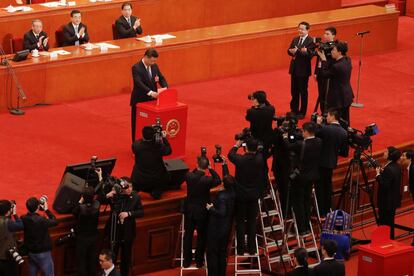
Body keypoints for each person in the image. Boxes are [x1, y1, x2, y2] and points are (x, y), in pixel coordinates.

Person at [228, 138, 266, 255]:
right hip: (254, 196)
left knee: (240, 222)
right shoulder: (260, 159)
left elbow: (230, 155)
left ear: (245, 147)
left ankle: (240, 249)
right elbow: (260, 152)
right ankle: (252, 248)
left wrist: (236, 145)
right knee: (251, 222)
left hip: (241, 195)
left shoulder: (241, 159)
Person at [183, 155, 221, 268]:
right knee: (201, 237)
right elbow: (218, 180)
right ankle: (199, 261)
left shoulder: (189, 176)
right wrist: (210, 168)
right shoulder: (207, 180)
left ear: (196, 165)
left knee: (188, 236)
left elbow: (193, 172)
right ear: (206, 167)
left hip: (190, 211)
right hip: (202, 212)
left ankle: (187, 261)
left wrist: (199, 167)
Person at [101, 177, 144, 276]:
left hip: (128, 232)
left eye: (131, 187)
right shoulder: (116, 196)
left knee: (126, 258)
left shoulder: (135, 196)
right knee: (112, 257)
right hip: (114, 231)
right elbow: (100, 201)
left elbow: (141, 212)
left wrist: (128, 214)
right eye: (127, 187)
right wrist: (108, 195)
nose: (129, 189)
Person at [130, 48, 168, 142]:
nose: (153, 63)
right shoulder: (136, 67)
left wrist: (165, 88)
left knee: (151, 122)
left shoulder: (154, 66)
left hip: (152, 101)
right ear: (146, 57)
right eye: (152, 61)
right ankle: (136, 144)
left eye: (155, 61)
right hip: (140, 100)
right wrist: (151, 92)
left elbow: (161, 78)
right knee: (137, 124)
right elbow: (138, 83)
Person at [290, 122, 321, 235]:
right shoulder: (319, 141)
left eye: (302, 131)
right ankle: (307, 226)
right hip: (312, 176)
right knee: (307, 201)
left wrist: (284, 136)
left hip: (301, 177)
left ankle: (301, 228)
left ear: (306, 132)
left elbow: (288, 146)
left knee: (298, 203)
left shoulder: (300, 144)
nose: (301, 133)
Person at [315, 109, 348, 217]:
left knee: (320, 187)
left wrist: (318, 124)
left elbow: (314, 135)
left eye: (328, 116)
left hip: (320, 162)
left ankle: (321, 211)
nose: (326, 117)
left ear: (333, 116)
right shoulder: (344, 132)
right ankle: (328, 208)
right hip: (332, 162)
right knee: (328, 186)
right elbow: (344, 152)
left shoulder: (325, 129)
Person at [317, 41, 354, 125]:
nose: (331, 52)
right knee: (345, 119)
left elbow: (324, 74)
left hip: (337, 98)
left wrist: (323, 59)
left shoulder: (337, 67)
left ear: (339, 52)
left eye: (333, 50)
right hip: (347, 95)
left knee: (336, 121)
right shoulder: (347, 60)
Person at [131, 126, 172, 199]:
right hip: (156, 179)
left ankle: (135, 190)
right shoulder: (158, 147)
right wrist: (163, 138)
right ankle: (157, 192)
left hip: (139, 179)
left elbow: (141, 142)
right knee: (167, 176)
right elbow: (169, 150)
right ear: (153, 136)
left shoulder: (136, 146)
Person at [206, 173, 236, 276]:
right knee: (222, 252)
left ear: (224, 184)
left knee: (213, 253)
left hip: (216, 228)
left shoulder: (222, 196)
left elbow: (222, 212)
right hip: (226, 227)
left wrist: (211, 208)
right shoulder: (233, 192)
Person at [22, 197, 58, 276]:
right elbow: (55, 221)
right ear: (38, 207)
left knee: (32, 273)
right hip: (43, 253)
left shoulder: (24, 218)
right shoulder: (41, 220)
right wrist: (47, 210)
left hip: (31, 252)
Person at [287, 21, 316, 119]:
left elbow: (309, 55)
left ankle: (302, 112)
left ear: (307, 30)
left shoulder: (310, 41)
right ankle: (294, 109)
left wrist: (297, 51)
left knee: (303, 91)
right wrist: (291, 51)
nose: (300, 31)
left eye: (302, 29)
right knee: (294, 91)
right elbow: (289, 50)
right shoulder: (295, 39)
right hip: (294, 69)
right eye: (299, 29)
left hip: (303, 70)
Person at [72, 186, 100, 276]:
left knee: (81, 262)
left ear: (83, 197)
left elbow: (74, 212)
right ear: (93, 197)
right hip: (94, 237)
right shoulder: (97, 205)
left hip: (82, 238)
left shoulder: (81, 209)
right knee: (92, 262)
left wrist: (80, 201)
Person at [376, 146, 402, 239]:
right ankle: (389, 240)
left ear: (390, 155)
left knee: (384, 223)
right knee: (390, 222)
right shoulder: (396, 166)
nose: (384, 153)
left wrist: (378, 175)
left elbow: (385, 184)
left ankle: (385, 240)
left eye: (386, 152)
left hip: (386, 202)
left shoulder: (389, 169)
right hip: (392, 201)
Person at [314, 27, 337, 114]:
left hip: (328, 73)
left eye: (328, 34)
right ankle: (322, 111)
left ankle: (327, 113)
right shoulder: (322, 45)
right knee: (321, 94)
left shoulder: (334, 47)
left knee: (326, 94)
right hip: (320, 72)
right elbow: (318, 59)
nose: (325, 35)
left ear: (333, 36)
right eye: (325, 33)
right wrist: (316, 72)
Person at [0, 200, 24, 276]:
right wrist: (15, 214)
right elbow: (21, 225)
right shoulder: (8, 222)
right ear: (8, 211)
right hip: (7, 258)